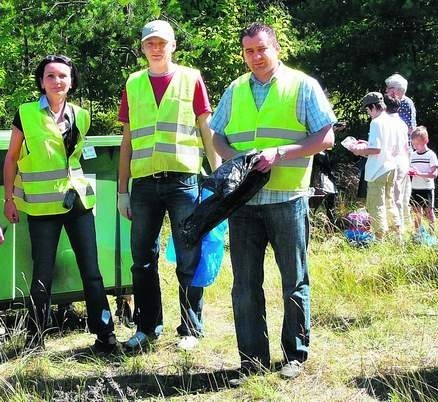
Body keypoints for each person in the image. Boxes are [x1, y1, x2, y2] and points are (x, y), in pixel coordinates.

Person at [210, 22, 335, 382]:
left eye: (262, 49)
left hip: (287, 198)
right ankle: (251, 361)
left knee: (293, 279)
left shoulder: (302, 85)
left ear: (276, 48)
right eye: (249, 51)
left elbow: (325, 137)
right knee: (245, 284)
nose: (256, 57)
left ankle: (294, 355)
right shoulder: (235, 90)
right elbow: (217, 136)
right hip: (243, 202)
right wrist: (236, 161)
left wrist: (281, 152)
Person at [117, 20, 220, 351]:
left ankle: (191, 327)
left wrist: (218, 180)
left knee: (189, 255)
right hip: (144, 184)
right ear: (143, 48)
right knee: (141, 259)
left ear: (173, 45)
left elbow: (207, 130)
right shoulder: (133, 83)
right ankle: (147, 327)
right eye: (150, 43)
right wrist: (122, 190)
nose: (156, 48)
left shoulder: (191, 79)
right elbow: (128, 140)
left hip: (183, 181)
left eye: (162, 42)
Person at [3, 55, 116, 352]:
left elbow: (76, 158)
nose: (57, 81)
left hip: (77, 203)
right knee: (42, 273)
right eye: (50, 76)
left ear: (71, 81)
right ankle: (35, 339)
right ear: (41, 82)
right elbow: (12, 158)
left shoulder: (81, 115)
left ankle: (105, 335)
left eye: (63, 76)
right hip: (42, 208)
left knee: (91, 270)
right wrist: (9, 200)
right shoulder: (26, 113)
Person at [349, 92, 406, 239]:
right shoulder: (392, 120)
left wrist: (358, 149)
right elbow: (386, 146)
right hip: (391, 166)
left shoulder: (376, 122)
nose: (368, 113)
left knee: (376, 205)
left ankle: (379, 239)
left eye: (368, 110)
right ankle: (397, 235)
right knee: (390, 202)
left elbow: (376, 149)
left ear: (374, 106)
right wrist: (366, 144)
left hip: (377, 169)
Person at [385, 73, 416, 228]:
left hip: (402, 151)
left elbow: (411, 128)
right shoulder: (388, 104)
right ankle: (398, 222)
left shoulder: (406, 103)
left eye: (389, 88)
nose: (386, 90)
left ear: (398, 90)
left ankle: (400, 224)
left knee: (400, 189)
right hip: (392, 151)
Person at [408, 126, 438, 235]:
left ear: (425, 141)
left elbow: (434, 174)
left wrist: (419, 174)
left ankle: (432, 234)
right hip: (415, 188)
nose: (415, 146)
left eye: (417, 144)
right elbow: (410, 168)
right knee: (416, 213)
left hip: (427, 188)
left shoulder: (431, 155)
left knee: (429, 212)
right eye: (413, 144)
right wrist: (410, 171)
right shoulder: (412, 155)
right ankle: (417, 234)